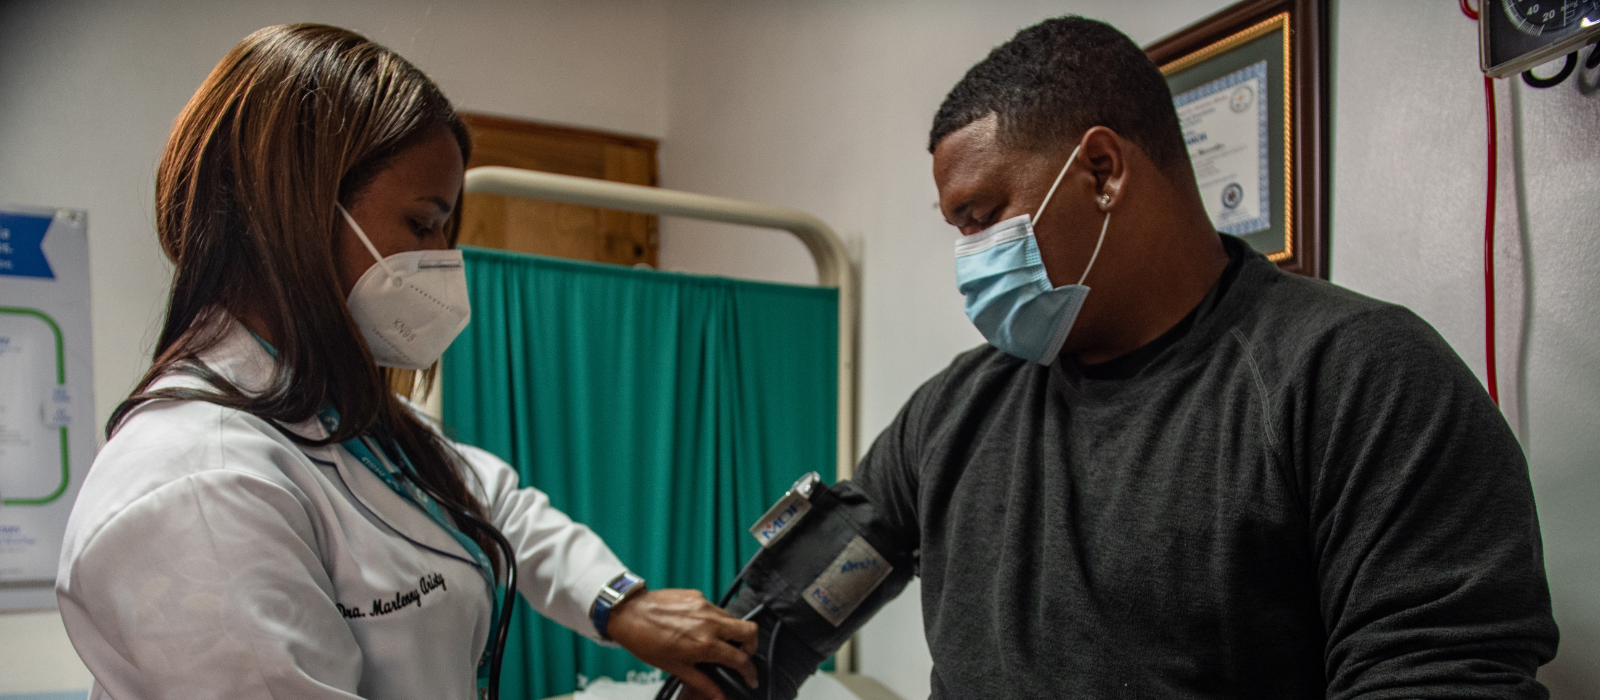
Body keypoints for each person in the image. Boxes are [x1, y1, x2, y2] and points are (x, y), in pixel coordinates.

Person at [853, 16, 1559, 698]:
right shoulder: (954, 414)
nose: (968, 257)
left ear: (1102, 171)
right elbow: (808, 592)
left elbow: (1438, 673)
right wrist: (743, 643)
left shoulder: (1358, 379)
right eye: (957, 229)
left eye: (981, 218)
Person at [55, 24, 758, 700]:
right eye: (423, 223)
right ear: (291, 212)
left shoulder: (338, 418)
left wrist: (619, 607)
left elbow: (490, 501)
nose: (445, 263)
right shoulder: (198, 487)